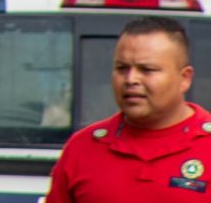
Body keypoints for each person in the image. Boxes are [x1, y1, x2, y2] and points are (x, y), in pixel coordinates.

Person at [47, 16, 211, 202]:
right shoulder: (83, 147)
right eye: (122, 68)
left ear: (185, 78)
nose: (131, 79)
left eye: (147, 69)